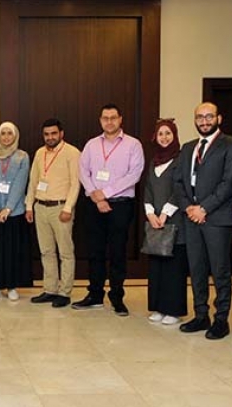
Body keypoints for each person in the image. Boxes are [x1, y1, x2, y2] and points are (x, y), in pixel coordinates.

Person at [174, 102, 232, 340]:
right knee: (197, 269)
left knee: (220, 271)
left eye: (209, 116)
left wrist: (204, 208)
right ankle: (201, 314)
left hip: (217, 218)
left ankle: (221, 319)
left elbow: (228, 182)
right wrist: (189, 208)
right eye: (199, 117)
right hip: (191, 217)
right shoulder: (188, 147)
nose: (204, 121)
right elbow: (178, 182)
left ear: (219, 118)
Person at [74, 104, 144, 316]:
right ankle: (95, 295)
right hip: (94, 204)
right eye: (105, 118)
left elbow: (134, 175)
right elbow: (82, 171)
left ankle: (117, 297)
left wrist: (106, 193)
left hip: (120, 205)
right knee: (94, 251)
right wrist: (96, 195)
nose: (109, 121)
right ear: (100, 120)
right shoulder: (91, 144)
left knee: (117, 252)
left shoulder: (133, 144)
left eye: (113, 117)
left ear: (120, 119)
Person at [25, 118, 81, 308]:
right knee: (46, 251)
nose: (50, 137)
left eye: (54, 133)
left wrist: (68, 208)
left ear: (61, 133)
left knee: (65, 252)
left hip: (61, 208)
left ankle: (64, 292)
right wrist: (29, 205)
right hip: (40, 207)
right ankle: (50, 289)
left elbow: (75, 183)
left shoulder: (72, 153)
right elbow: (33, 181)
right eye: (47, 134)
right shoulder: (40, 153)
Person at [142, 119, 188, 325]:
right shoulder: (154, 161)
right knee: (157, 266)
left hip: (175, 221)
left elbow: (181, 189)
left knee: (173, 268)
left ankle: (173, 311)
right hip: (156, 222)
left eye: (168, 133)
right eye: (160, 133)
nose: (164, 137)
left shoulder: (181, 159)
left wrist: (165, 214)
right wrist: (150, 213)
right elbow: (148, 189)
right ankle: (159, 307)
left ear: (174, 135)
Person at [0, 122, 31, 300]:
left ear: (15, 136)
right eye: (3, 133)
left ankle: (11, 286)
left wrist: (8, 208)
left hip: (14, 212)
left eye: (10, 133)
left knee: (12, 250)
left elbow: (20, 184)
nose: (6, 137)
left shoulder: (22, 157)